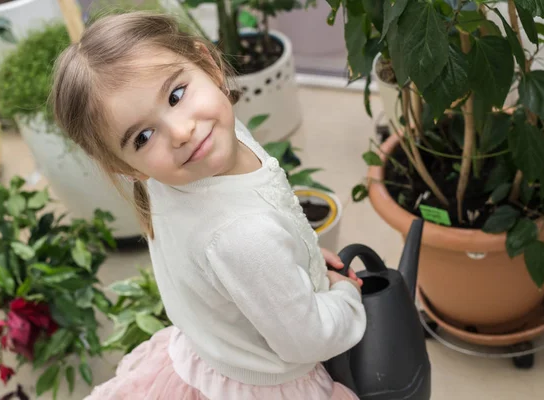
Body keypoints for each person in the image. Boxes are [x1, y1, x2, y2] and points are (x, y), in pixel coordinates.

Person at [51, 11, 366, 400]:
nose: (182, 132)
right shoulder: (240, 235)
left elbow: (245, 258)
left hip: (209, 356)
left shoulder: (184, 164)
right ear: (124, 167)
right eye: (144, 136)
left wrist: (298, 258)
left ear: (207, 64)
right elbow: (306, 339)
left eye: (176, 95)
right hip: (270, 384)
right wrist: (344, 295)